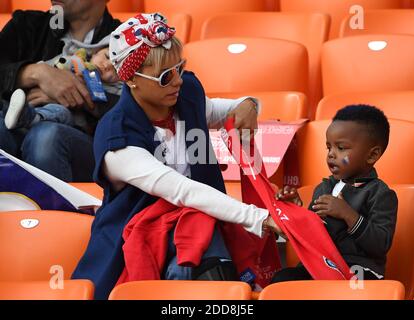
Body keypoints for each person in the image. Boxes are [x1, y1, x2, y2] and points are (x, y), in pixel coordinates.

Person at [71, 13, 282, 299]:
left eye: (180, 68)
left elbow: (229, 109)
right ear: (131, 79)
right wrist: (258, 217)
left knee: (206, 258)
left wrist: (248, 105)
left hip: (199, 225)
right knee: (192, 264)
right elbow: (180, 190)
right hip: (136, 237)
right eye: (164, 76)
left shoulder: (185, 94)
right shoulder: (115, 138)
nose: (178, 81)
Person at [273, 104, 398, 282]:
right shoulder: (323, 189)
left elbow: (379, 245)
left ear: (372, 155)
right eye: (328, 147)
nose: (331, 154)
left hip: (358, 269)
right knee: (283, 279)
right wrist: (296, 210)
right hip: (320, 264)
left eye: (341, 148)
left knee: (356, 288)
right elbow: (310, 236)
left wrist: (348, 215)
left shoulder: (381, 194)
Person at [0, 0, 121, 181]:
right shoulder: (26, 25)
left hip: (90, 146)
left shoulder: (129, 41)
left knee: (46, 137)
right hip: (13, 128)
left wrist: (81, 94)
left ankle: (55, 209)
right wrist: (37, 73)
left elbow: (148, 108)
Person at [3, 47, 120, 132]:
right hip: (35, 99)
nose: (107, 65)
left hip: (71, 119)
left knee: (60, 113)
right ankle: (12, 111)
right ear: (95, 52)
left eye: (116, 69)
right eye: (107, 56)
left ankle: (33, 118)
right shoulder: (76, 61)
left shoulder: (113, 90)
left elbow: (113, 110)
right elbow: (49, 66)